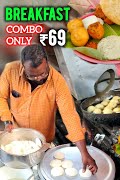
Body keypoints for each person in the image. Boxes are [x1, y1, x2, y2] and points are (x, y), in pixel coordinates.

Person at [0, 44, 98, 174]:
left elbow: (69, 115)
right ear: (22, 66)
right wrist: (7, 120)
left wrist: (84, 153)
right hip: (17, 137)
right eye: (32, 76)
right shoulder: (10, 70)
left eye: (42, 73)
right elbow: (1, 97)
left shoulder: (58, 82)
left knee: (41, 171)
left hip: (43, 140)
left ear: (47, 62)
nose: (39, 78)